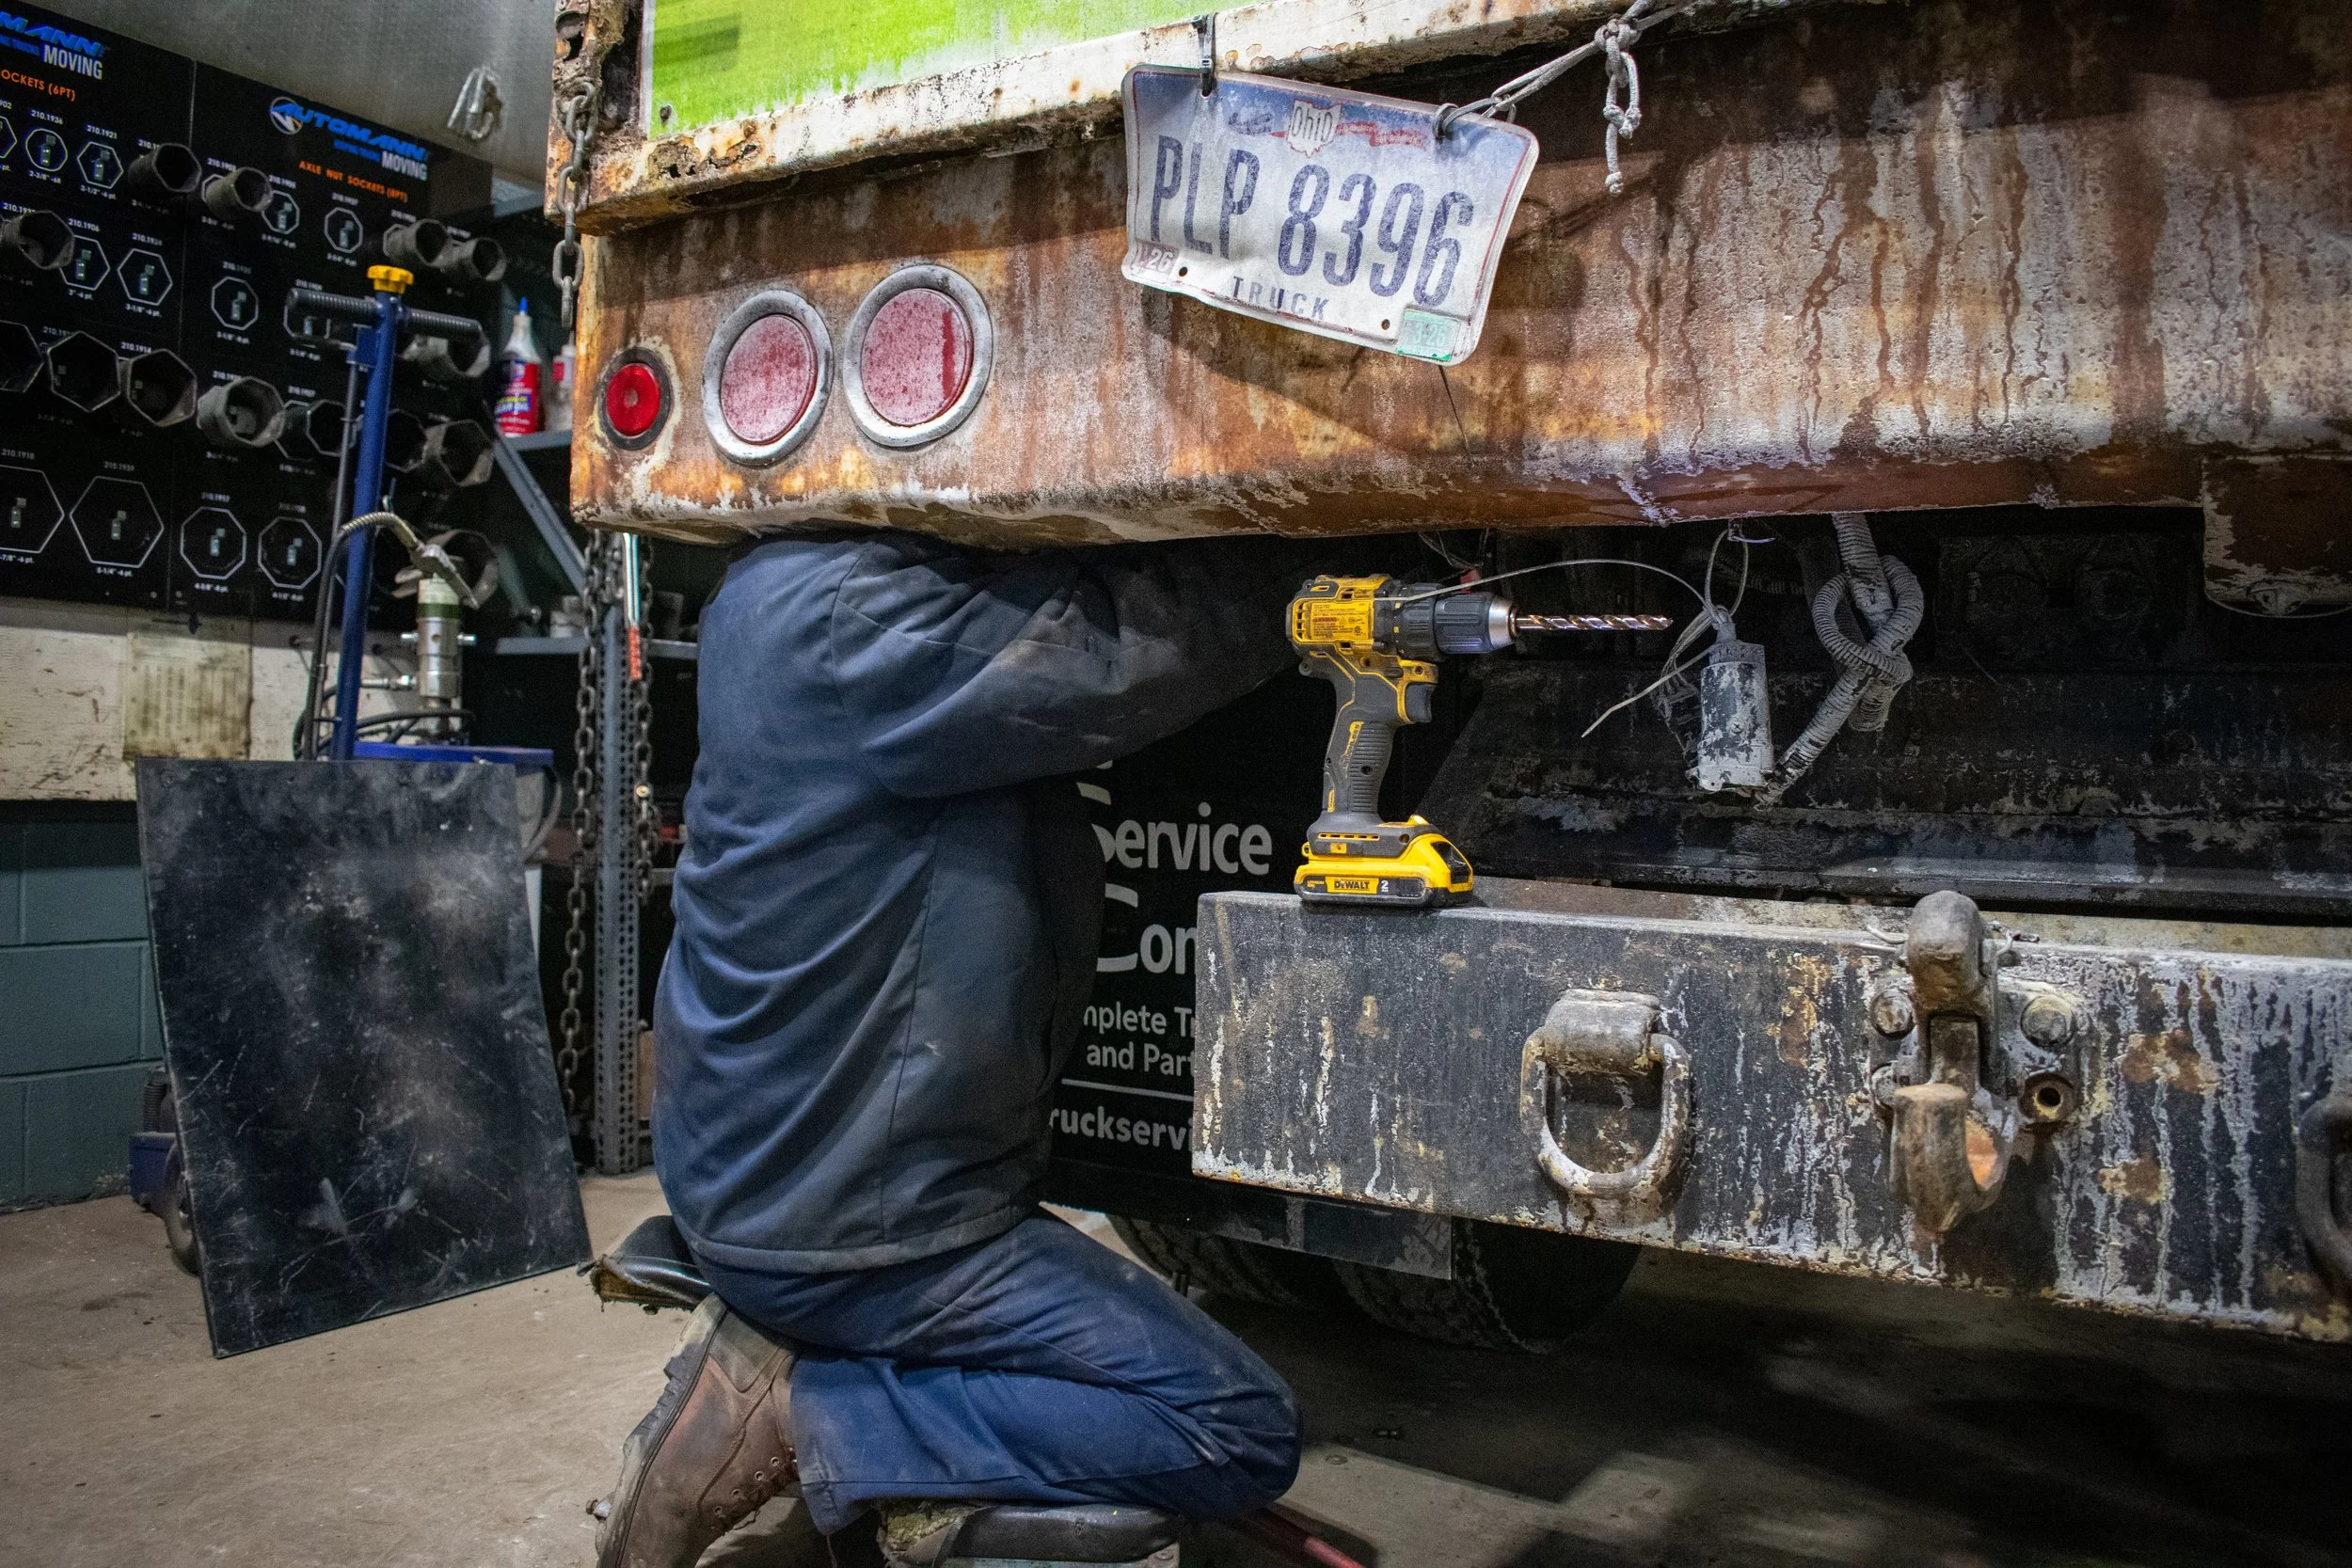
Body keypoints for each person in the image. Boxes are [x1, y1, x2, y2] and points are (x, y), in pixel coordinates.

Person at [596, 527, 1332, 1568]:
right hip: (856, 1225)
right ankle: (808, 1409)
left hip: (760, 1183)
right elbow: (1118, 653)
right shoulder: (866, 623)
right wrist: (1318, 563)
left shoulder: (765, 590)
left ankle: (801, 1356)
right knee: (1233, 1425)